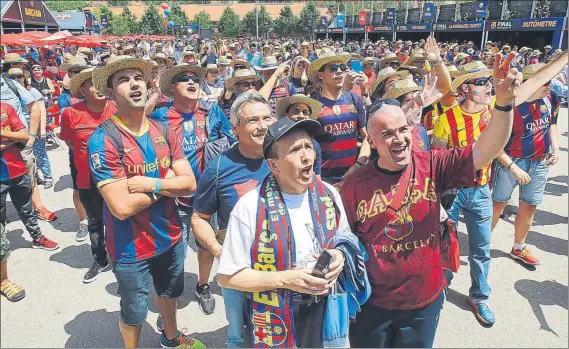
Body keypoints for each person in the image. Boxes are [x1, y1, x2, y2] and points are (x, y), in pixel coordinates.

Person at [341, 53, 524, 347]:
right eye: (387, 134)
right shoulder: (353, 185)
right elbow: (343, 242)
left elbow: (487, 149)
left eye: (403, 130)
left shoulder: (432, 164)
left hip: (423, 301)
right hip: (371, 304)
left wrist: (503, 104)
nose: (398, 139)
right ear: (372, 142)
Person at [433, 50, 567, 326]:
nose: (488, 86)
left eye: (487, 81)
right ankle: (439, 288)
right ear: (466, 88)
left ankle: (479, 296)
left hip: (482, 190)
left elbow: (534, 82)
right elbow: (437, 161)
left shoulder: (496, 110)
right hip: (453, 195)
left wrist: (564, 57)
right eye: (481, 82)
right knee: (445, 246)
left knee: (482, 248)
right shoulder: (445, 120)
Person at [87, 55, 204, 348]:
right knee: (135, 311)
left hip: (171, 235)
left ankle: (172, 338)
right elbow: (121, 207)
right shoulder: (104, 139)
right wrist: (167, 186)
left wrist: (152, 183)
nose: (133, 84)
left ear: (148, 84)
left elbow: (189, 183)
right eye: (123, 80)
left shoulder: (162, 129)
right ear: (112, 94)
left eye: (138, 78)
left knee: (170, 293)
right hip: (129, 245)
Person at [217, 116, 349, 348]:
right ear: (274, 165)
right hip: (277, 312)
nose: (307, 156)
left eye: (309, 146)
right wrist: (286, 279)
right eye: (296, 149)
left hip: (325, 308)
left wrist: (339, 256)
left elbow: (343, 240)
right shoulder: (250, 206)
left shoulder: (328, 194)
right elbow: (228, 276)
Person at [150, 63, 236, 317]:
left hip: (207, 195)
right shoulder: (160, 117)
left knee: (206, 245)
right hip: (174, 197)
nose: (191, 83)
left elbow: (231, 140)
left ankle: (202, 285)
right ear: (171, 89)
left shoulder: (212, 111)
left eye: (195, 80)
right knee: (171, 248)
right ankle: (171, 295)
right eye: (183, 80)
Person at [192, 92, 276, 348]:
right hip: (238, 268)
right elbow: (198, 218)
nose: (262, 125)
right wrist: (219, 250)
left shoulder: (287, 157)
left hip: (280, 267)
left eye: (267, 118)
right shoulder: (218, 167)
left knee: (276, 329)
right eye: (253, 120)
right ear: (235, 128)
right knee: (238, 334)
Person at [492, 56, 567, 266]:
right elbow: (493, 143)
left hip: (539, 162)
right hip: (511, 162)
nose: (549, 85)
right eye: (544, 82)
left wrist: (556, 147)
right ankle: (481, 247)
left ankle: (519, 247)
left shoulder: (551, 95)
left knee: (529, 206)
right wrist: (513, 167)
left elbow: (552, 122)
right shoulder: (509, 104)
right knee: (498, 204)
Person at [59, 67, 117, 282]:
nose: (98, 88)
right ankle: (100, 259)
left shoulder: (118, 109)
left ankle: (122, 259)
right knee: (95, 222)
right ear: (82, 90)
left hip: (117, 179)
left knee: (122, 219)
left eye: (101, 83)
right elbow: (70, 142)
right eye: (92, 83)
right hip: (87, 181)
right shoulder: (70, 114)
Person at [0, 102, 60, 252]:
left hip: (18, 170)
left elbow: (24, 135)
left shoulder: (5, 108)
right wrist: (13, 139)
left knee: (27, 210)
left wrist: (3, 134)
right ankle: (3, 249)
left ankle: (38, 238)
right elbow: (18, 136)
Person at [307, 51, 369, 186]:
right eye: (333, 69)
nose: (340, 72)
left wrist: (358, 166)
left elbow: (366, 138)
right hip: (323, 181)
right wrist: (317, 180)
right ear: (320, 75)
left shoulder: (354, 99)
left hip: (353, 177)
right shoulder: (312, 104)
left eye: (343, 68)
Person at [276, 94, 323, 177]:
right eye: (296, 112)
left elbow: (316, 177)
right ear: (287, 114)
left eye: (305, 112)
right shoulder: (277, 142)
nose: (301, 116)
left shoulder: (314, 145)